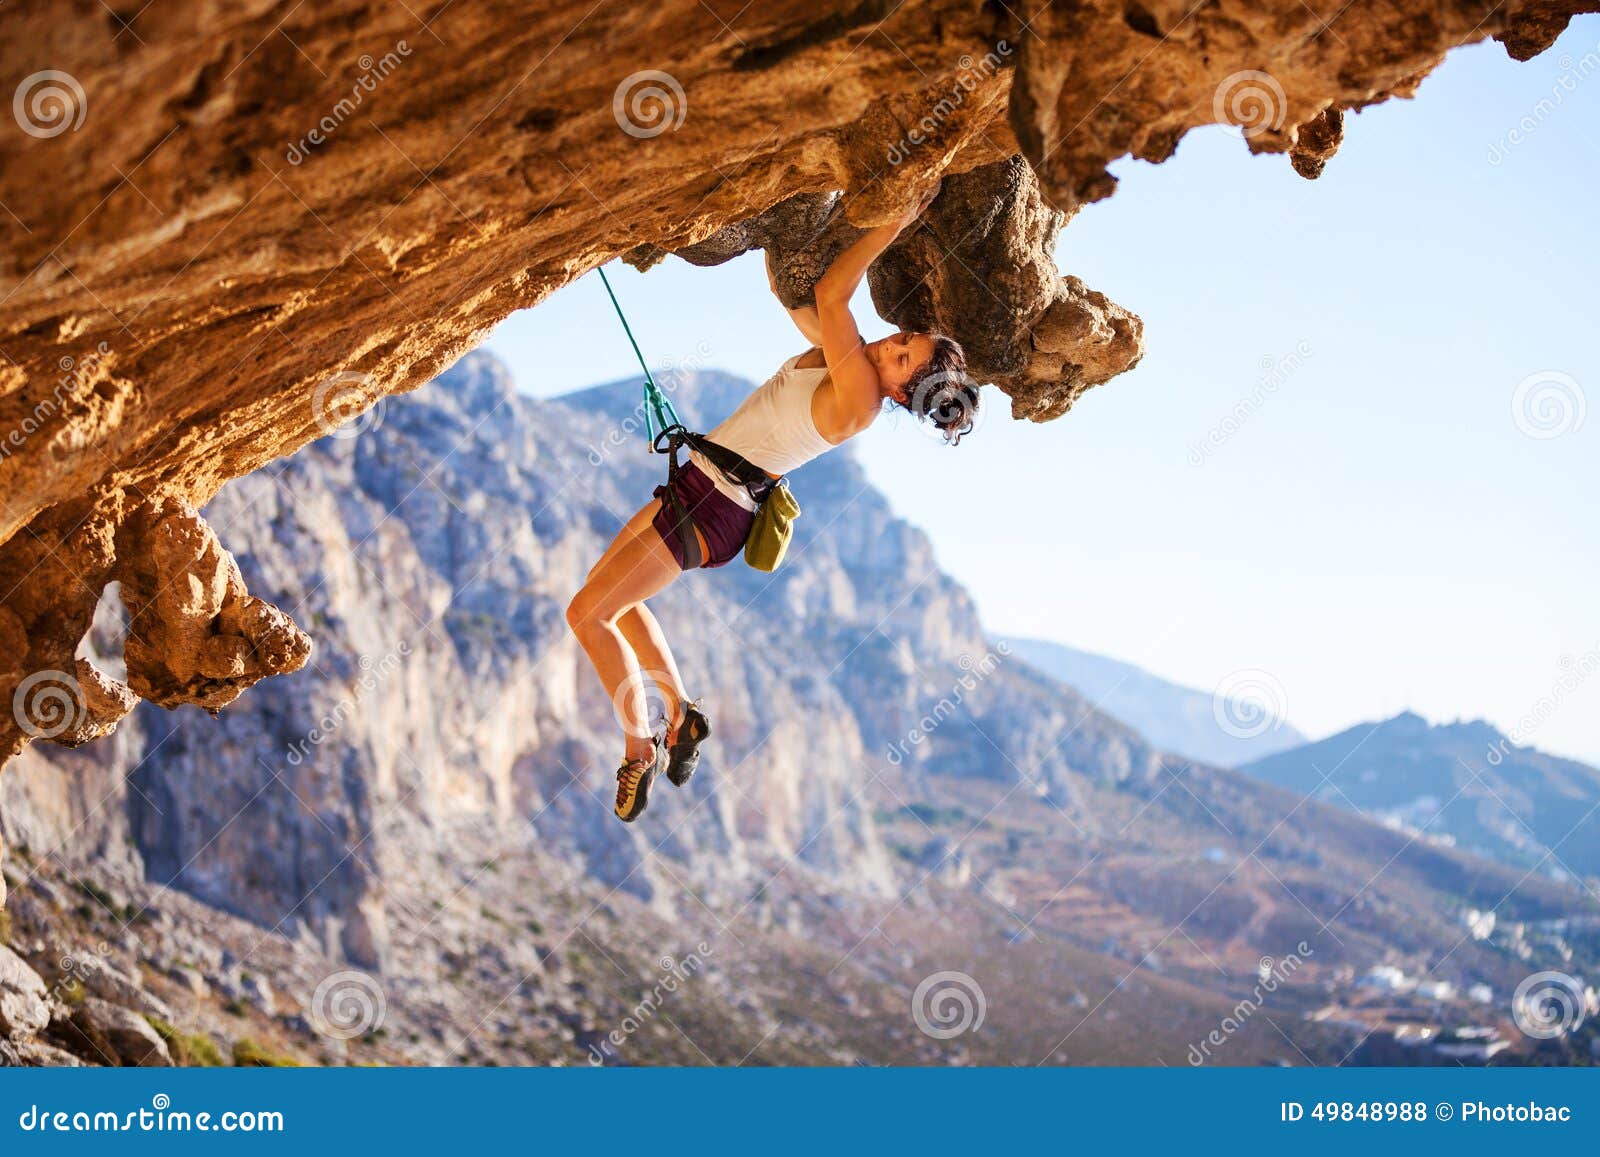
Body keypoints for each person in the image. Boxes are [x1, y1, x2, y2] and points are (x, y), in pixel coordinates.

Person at [566, 187, 979, 823]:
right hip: (701, 488)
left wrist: (894, 222)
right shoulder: (852, 361)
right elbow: (799, 301)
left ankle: (639, 745)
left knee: (588, 614)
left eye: (903, 358)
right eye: (906, 339)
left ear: (899, 394)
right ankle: (683, 715)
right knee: (613, 599)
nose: (892, 344)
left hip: (713, 507)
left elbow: (832, 295)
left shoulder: (858, 399)